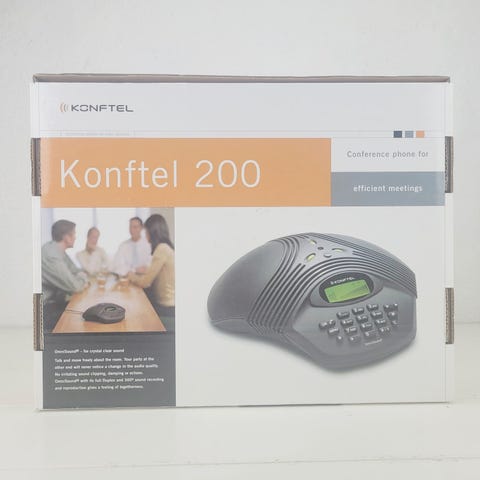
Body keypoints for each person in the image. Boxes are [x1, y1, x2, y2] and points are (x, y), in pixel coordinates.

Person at [128, 214, 175, 331]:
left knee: (133, 310)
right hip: (167, 303)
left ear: (153, 232)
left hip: (166, 307)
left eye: (146, 232)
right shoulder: (166, 247)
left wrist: (131, 275)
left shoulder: (162, 249)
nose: (145, 235)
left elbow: (145, 282)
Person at [41, 220, 89, 332]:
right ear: (66, 237)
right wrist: (82, 279)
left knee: (86, 310)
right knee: (83, 321)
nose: (75, 237)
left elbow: (76, 271)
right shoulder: (51, 255)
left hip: (55, 302)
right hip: (45, 309)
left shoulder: (58, 250)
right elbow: (75, 286)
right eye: (74, 234)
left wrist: (79, 277)